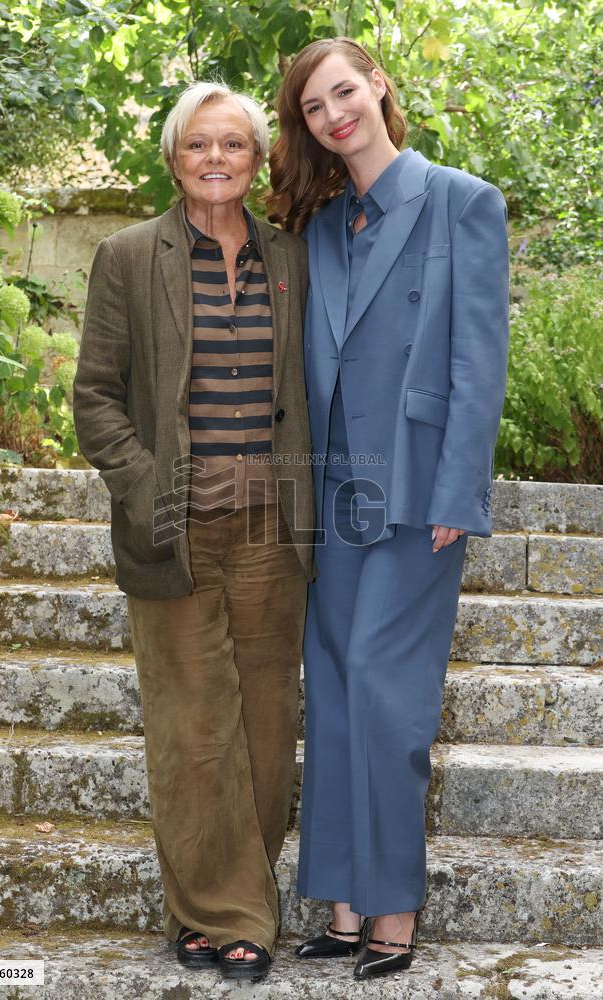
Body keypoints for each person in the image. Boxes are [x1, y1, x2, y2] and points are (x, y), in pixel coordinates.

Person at [268, 37, 509, 980]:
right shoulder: (323, 229)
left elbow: (478, 358)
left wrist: (458, 487)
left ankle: (394, 910)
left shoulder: (462, 201)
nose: (334, 115)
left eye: (343, 93)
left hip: (416, 495)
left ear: (378, 87)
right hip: (333, 497)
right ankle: (339, 905)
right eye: (315, 109)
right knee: (329, 689)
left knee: (382, 689)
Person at [73, 80, 315, 983]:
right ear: (173, 158)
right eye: (198, 146)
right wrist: (145, 489)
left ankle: (224, 904)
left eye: (235, 146)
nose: (216, 161)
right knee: (191, 731)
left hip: (271, 534)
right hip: (170, 532)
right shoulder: (128, 255)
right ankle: (227, 916)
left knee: (263, 726)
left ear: (258, 159)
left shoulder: (292, 259)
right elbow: (95, 397)